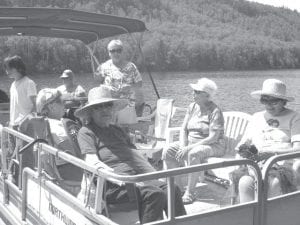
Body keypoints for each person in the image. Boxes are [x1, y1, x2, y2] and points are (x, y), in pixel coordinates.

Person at [74, 86, 186, 223]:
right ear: (90, 112)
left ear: (113, 109)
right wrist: (121, 179)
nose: (105, 110)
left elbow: (137, 156)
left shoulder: (118, 130)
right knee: (154, 194)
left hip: (137, 178)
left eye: (108, 105)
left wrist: (154, 175)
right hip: (112, 184)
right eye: (99, 107)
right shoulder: (86, 132)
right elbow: (90, 159)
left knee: (172, 189)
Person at [162, 78, 225, 204]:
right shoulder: (192, 107)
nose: (193, 94)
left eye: (197, 92)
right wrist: (183, 145)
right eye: (193, 91)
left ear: (207, 95)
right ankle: (177, 189)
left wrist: (188, 148)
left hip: (213, 145)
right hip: (192, 143)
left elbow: (213, 137)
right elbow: (184, 129)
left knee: (194, 153)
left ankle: (189, 193)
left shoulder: (215, 111)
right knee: (168, 151)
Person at [237, 79, 300, 203]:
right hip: (256, 164)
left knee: (274, 182)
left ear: (283, 101)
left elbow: (298, 148)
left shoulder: (295, 117)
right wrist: (242, 151)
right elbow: (243, 144)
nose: (269, 105)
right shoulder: (256, 117)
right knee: (244, 182)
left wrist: (272, 152)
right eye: (264, 100)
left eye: (274, 101)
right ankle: (251, 218)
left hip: (281, 164)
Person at [19, 88, 83, 192]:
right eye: (62, 102)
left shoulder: (43, 124)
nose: (65, 105)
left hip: (54, 175)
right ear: (52, 107)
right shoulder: (56, 126)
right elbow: (80, 153)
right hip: (72, 182)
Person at [94, 39, 144, 118]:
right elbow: (97, 85)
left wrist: (129, 87)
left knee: (127, 128)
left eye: (119, 50)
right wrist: (107, 89)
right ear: (109, 53)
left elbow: (139, 83)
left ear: (122, 52)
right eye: (112, 51)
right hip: (109, 107)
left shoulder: (131, 66)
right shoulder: (102, 67)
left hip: (128, 106)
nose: (116, 53)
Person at [4, 55, 37, 127]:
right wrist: (11, 121)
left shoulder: (29, 83)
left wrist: (26, 121)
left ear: (19, 68)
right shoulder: (13, 85)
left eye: (10, 68)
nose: (7, 71)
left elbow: (36, 106)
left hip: (26, 126)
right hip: (13, 124)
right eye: (7, 68)